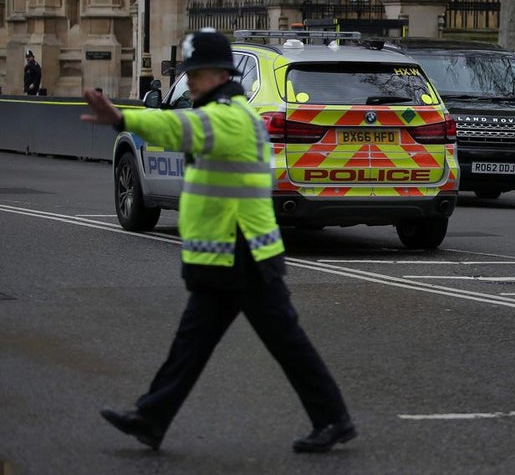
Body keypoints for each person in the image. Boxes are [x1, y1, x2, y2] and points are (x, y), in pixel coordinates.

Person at [80, 28, 354, 454]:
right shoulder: (222, 109)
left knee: (285, 343)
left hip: (245, 255)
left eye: (196, 72)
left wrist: (122, 118)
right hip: (226, 255)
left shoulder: (229, 117)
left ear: (220, 73)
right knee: (193, 343)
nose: (188, 80)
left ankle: (334, 419)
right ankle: (151, 417)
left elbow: (178, 127)